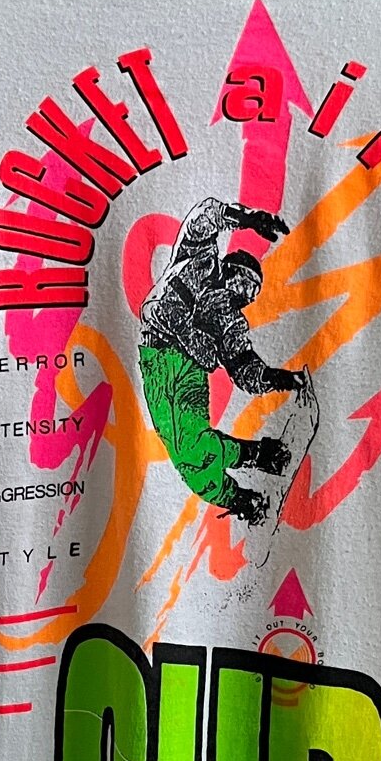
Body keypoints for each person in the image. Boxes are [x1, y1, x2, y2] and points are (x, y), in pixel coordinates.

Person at [138, 198, 309, 524]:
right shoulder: (200, 261)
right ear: (231, 270)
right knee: (187, 453)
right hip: (159, 352)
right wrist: (248, 219)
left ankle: (247, 487)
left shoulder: (229, 321)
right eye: (245, 285)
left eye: (251, 295)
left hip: (189, 370)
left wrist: (282, 379)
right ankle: (254, 468)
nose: (245, 296)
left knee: (190, 447)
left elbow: (245, 369)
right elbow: (203, 217)